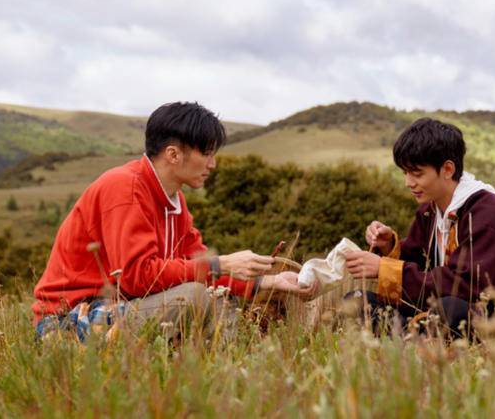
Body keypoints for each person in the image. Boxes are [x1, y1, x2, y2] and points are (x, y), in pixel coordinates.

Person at [32, 102, 313, 341]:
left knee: (216, 298)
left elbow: (198, 266)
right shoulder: (125, 188)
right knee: (193, 296)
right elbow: (137, 277)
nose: (212, 164)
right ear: (173, 154)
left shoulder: (174, 201)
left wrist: (266, 282)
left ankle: (227, 371)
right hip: (69, 319)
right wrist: (222, 263)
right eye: (207, 153)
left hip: (122, 308)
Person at [343, 118, 495, 336]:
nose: (408, 182)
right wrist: (388, 245)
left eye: (417, 173)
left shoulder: (489, 214)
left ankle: (412, 339)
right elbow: (419, 263)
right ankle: (413, 340)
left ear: (447, 169)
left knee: (451, 308)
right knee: (357, 301)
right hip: (436, 312)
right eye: (405, 173)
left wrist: (383, 268)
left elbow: (466, 286)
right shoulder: (429, 210)